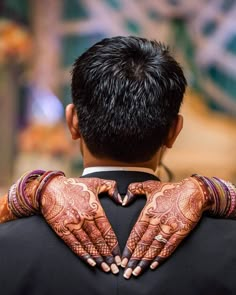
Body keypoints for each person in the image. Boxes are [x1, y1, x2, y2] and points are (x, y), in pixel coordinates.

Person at [0, 36, 236, 294]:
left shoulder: (9, 243)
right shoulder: (228, 243)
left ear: (72, 122)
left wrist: (31, 189)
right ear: (174, 131)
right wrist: (216, 192)